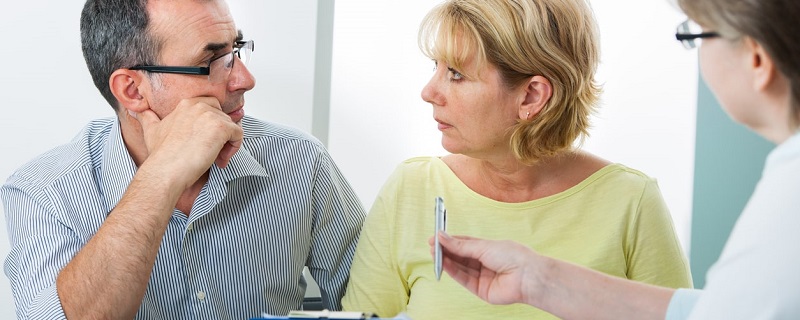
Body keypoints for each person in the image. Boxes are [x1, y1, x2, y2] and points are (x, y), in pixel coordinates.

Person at [432, 0, 800, 318]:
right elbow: (720, 312)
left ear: (756, 59)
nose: (430, 92)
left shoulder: (788, 202)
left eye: (699, 34)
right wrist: (538, 281)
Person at [1, 0, 366, 319]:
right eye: (212, 60)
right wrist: (162, 174)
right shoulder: (43, 192)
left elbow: (372, 305)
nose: (244, 78)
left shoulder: (300, 160)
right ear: (133, 90)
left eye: (235, 49)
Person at [341, 0, 692, 318]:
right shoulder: (411, 188)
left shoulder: (631, 202)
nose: (429, 92)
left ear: (531, 96)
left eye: (457, 74)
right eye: (437, 66)